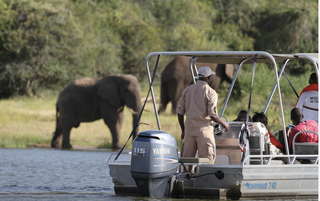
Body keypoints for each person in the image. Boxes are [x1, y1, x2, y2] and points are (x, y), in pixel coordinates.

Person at [176, 66, 230, 169]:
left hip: (189, 131)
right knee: (207, 163)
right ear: (209, 77)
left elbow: (180, 113)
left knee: (186, 164)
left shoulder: (187, 90)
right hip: (204, 133)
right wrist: (224, 124)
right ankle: (203, 183)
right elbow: (213, 115)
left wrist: (183, 130)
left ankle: (186, 182)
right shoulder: (211, 92)